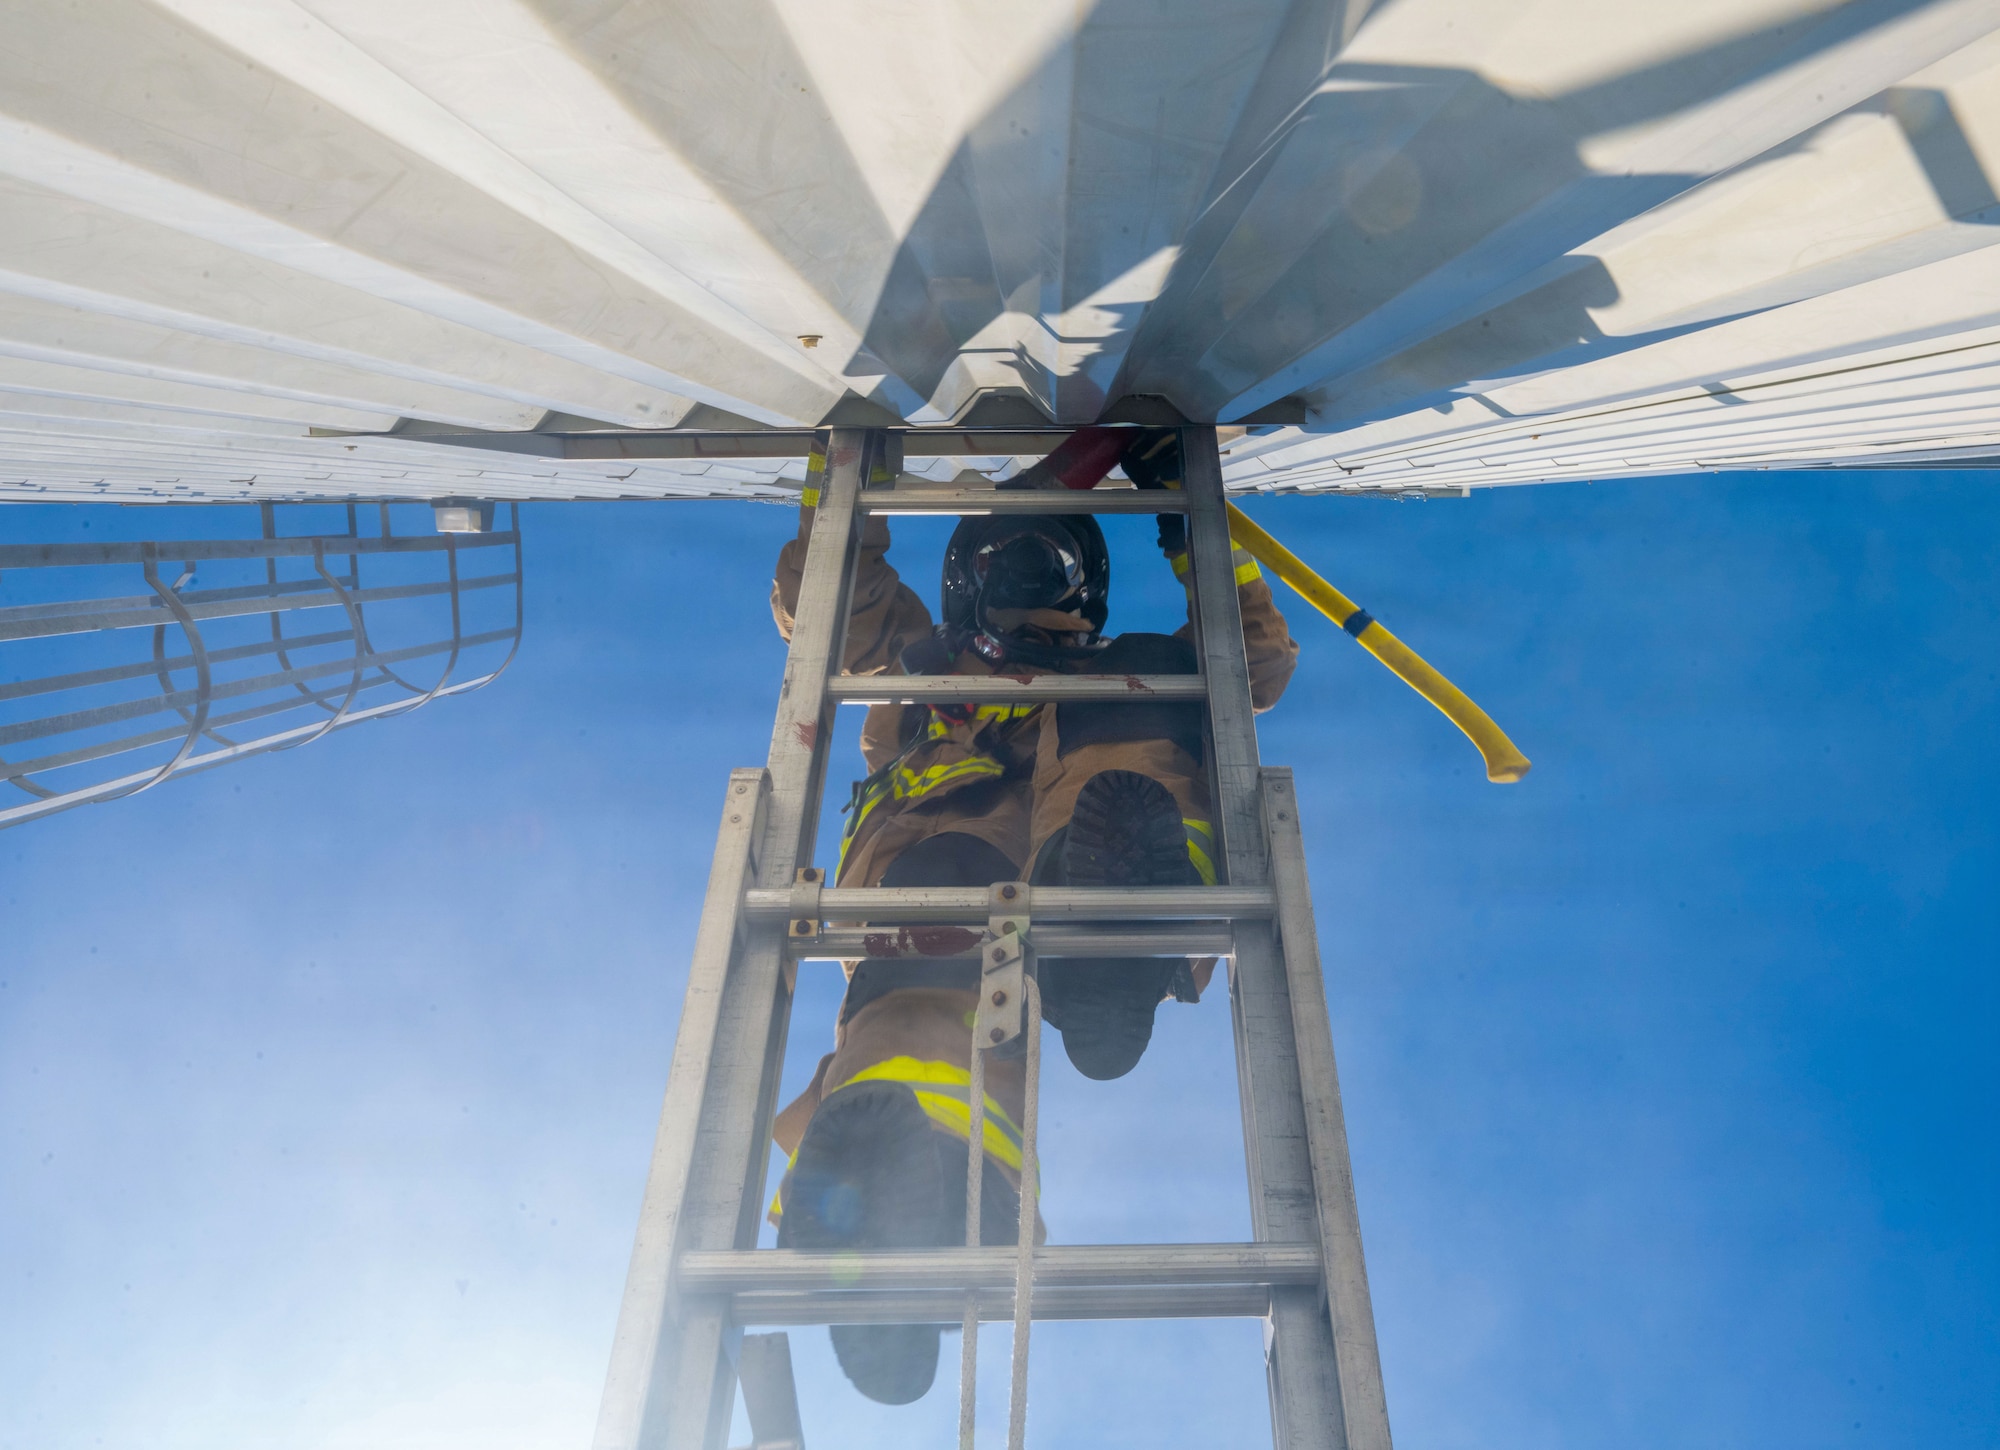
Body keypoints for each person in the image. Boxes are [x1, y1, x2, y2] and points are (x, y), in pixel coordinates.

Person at [764, 429, 1298, 1403]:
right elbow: (824, 606)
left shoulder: (1117, 663)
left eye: (1052, 569)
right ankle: (920, 1209)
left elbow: (1251, 657)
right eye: (1012, 566)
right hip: (941, 859)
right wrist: (851, 485)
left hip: (1079, 842)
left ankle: (1116, 937)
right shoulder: (917, 659)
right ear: (968, 581)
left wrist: (1187, 524)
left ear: (1082, 590)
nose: (1031, 590)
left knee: (1140, 695)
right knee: (936, 980)